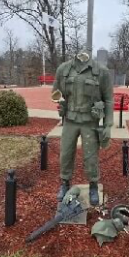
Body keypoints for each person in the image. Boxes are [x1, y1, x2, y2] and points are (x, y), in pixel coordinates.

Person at [52, 51, 113, 206]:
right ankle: (65, 182)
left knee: (91, 157)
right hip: (70, 120)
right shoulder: (64, 69)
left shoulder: (101, 72)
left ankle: (93, 185)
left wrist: (108, 124)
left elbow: (108, 100)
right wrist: (59, 101)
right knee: (65, 154)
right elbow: (55, 91)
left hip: (90, 122)